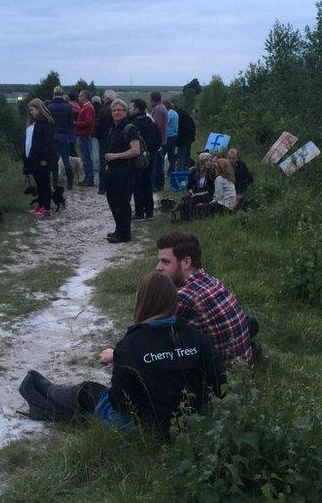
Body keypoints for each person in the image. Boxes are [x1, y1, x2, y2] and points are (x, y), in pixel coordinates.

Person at [20, 272, 224, 437]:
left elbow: (119, 402)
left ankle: (45, 392)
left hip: (146, 429)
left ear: (142, 302)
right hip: (192, 421)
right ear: (173, 301)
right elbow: (219, 383)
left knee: (91, 392)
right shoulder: (198, 338)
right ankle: (44, 405)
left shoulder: (129, 346)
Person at [155, 232, 255, 364]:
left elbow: (154, 338)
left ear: (186, 262)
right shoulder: (210, 280)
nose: (158, 267)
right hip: (242, 368)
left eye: (165, 262)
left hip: (220, 377)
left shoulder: (184, 296)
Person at [103, 99, 142, 243]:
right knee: (112, 201)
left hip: (125, 171)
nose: (116, 112)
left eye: (120, 110)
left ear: (126, 112)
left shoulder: (130, 128)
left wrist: (116, 156)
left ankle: (125, 234)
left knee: (123, 203)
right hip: (112, 171)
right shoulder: (113, 128)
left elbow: (136, 150)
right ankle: (119, 229)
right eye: (114, 110)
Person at [128, 98, 160, 221]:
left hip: (136, 158)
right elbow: (158, 141)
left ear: (136, 109)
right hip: (150, 158)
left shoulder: (133, 124)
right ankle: (150, 212)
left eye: (131, 108)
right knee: (147, 184)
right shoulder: (152, 123)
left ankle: (139, 213)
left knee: (137, 185)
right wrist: (150, 153)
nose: (129, 110)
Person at [23, 98, 56, 217]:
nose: (31, 112)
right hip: (35, 157)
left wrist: (44, 159)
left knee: (45, 184)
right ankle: (40, 205)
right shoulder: (37, 122)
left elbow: (48, 143)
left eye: (32, 110)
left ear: (38, 108)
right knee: (39, 183)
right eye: (30, 110)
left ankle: (46, 207)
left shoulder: (46, 122)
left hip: (42, 159)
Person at [47, 86, 75, 189]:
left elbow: (48, 122)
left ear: (53, 94)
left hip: (54, 135)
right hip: (64, 135)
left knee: (54, 160)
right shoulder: (68, 106)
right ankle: (70, 184)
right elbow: (71, 122)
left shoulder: (49, 107)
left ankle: (55, 182)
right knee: (66, 160)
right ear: (63, 94)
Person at [94, 90, 117, 195]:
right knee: (114, 162)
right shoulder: (117, 110)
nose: (103, 99)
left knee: (103, 163)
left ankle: (102, 187)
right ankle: (113, 186)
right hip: (115, 139)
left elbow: (98, 125)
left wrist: (96, 135)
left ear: (108, 98)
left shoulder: (103, 110)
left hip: (103, 139)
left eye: (104, 97)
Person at [74, 90, 96, 187]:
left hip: (84, 135)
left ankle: (89, 178)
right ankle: (88, 177)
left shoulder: (88, 108)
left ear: (85, 97)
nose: (78, 98)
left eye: (80, 96)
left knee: (86, 158)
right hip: (82, 134)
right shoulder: (86, 107)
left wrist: (76, 123)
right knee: (85, 157)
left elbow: (89, 122)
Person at [149, 91, 168, 191]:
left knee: (156, 163)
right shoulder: (162, 107)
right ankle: (159, 184)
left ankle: (156, 185)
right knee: (159, 163)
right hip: (162, 139)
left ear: (152, 99)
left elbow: (155, 126)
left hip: (158, 140)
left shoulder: (158, 109)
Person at [176, 106, 197, 170]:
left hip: (183, 138)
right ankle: (187, 169)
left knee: (181, 155)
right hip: (189, 137)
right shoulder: (185, 114)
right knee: (186, 154)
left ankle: (180, 170)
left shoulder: (178, 114)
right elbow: (192, 125)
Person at [164, 100, 180, 174]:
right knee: (171, 154)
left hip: (168, 136)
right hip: (174, 135)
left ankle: (163, 170)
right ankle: (172, 169)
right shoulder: (175, 113)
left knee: (163, 154)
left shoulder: (168, 114)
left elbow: (165, 123)